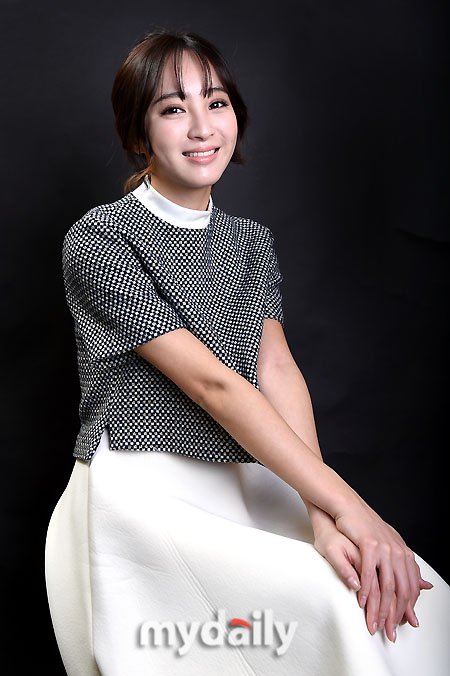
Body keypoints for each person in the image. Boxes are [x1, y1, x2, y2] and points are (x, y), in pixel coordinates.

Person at [45, 29, 450, 676]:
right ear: (138, 132)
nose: (202, 127)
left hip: (244, 476)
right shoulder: (100, 238)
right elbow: (217, 387)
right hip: (144, 489)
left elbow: (276, 369)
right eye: (173, 108)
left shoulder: (250, 241)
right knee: (332, 604)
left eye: (216, 102)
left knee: (416, 602)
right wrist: (355, 507)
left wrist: (324, 516)